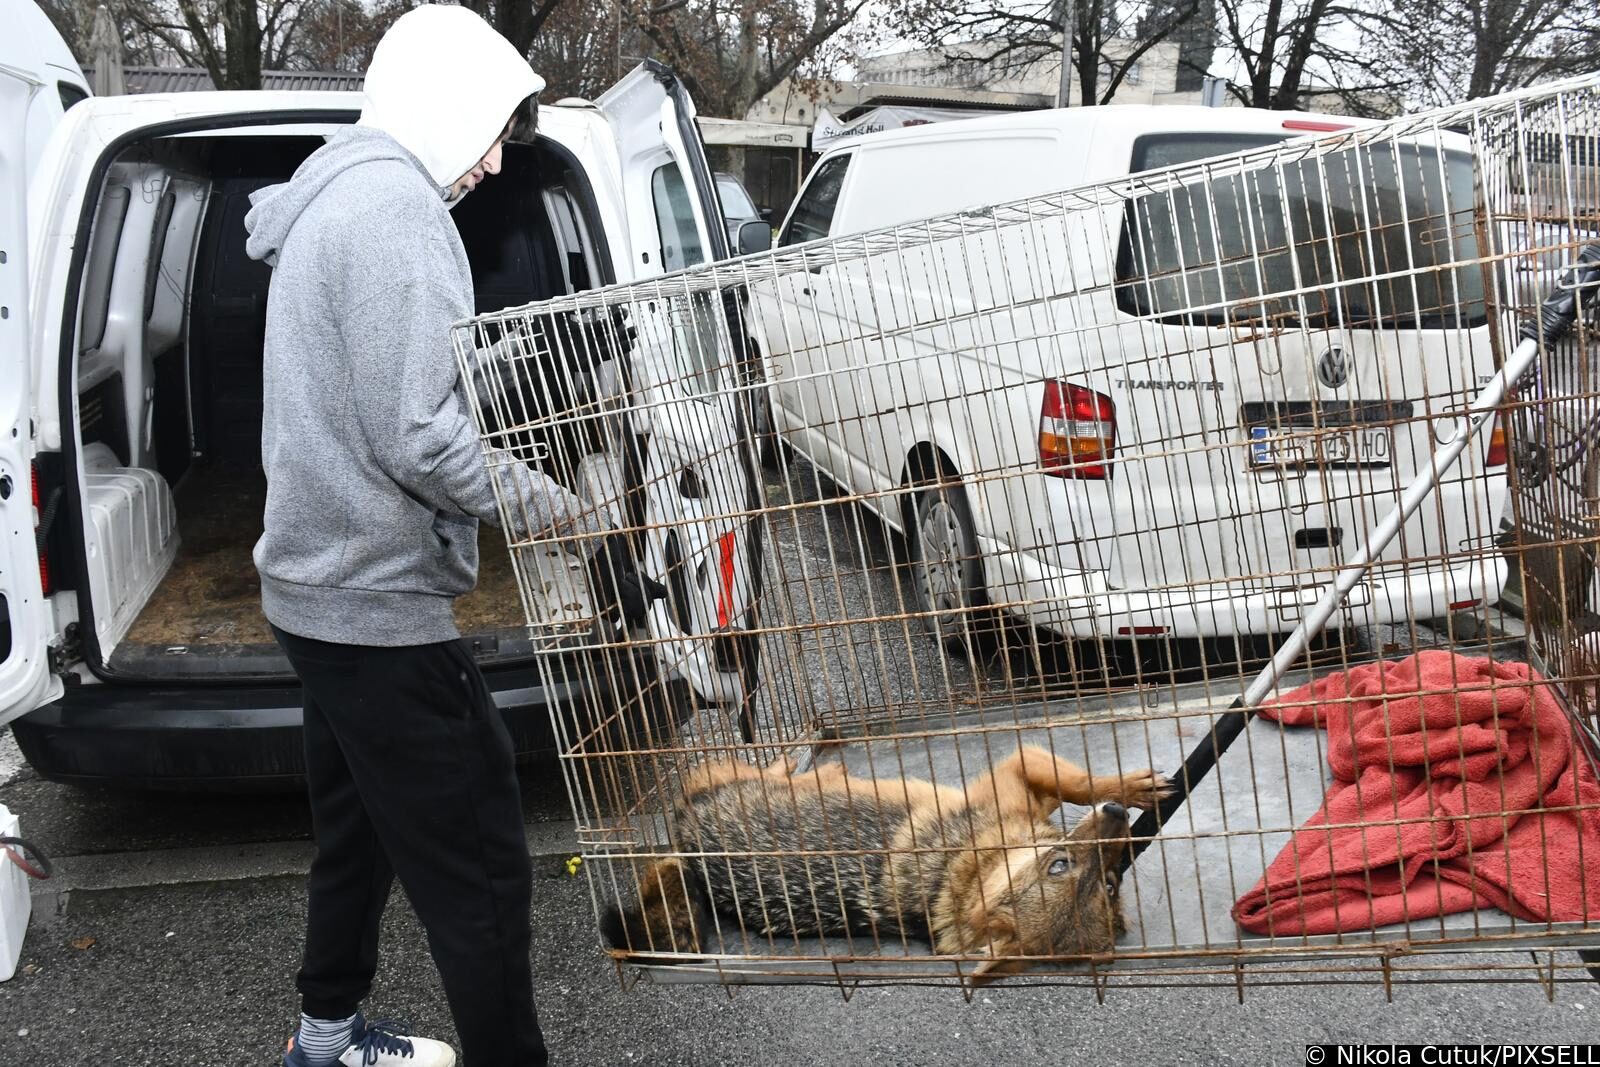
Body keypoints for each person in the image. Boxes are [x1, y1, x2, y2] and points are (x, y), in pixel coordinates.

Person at [244, 7, 657, 1065]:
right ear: (440, 103)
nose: (488, 163)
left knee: (360, 831)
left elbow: (385, 389)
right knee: (479, 873)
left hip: (313, 592)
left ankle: (324, 1039)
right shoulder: (395, 214)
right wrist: (561, 507)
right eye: (487, 131)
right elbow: (419, 435)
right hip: (376, 606)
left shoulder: (338, 190)